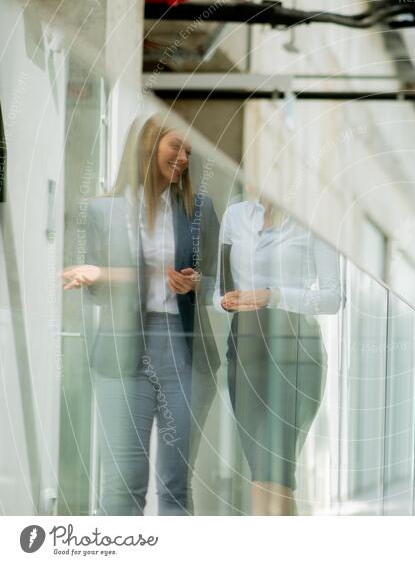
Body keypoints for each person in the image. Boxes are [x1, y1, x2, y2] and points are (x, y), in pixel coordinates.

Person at [62, 114, 220, 515]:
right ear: (148, 146)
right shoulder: (103, 212)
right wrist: (98, 276)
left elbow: (219, 282)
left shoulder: (199, 210)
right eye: (176, 146)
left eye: (188, 150)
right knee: (122, 484)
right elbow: (95, 292)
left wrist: (196, 282)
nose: (184, 158)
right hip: (122, 348)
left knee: (175, 485)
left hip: (183, 352)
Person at [214, 182, 342, 515]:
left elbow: (332, 298)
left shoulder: (316, 218)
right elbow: (218, 291)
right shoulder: (236, 216)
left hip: (296, 350)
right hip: (244, 348)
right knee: (260, 472)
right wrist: (226, 302)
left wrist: (273, 295)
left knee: (279, 473)